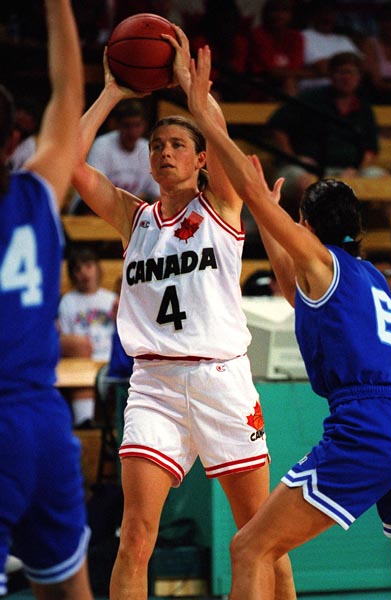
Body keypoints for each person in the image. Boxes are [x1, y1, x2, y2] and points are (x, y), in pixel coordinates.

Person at [186, 44, 391, 600]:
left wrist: (203, 109)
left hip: (369, 424)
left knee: (249, 548)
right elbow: (293, 283)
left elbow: (253, 193)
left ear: (306, 225)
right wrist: (263, 209)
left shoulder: (320, 261)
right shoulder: (367, 274)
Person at [70, 25, 296, 600]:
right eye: (156, 146)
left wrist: (197, 98)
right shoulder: (134, 218)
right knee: (134, 539)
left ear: (200, 161)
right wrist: (113, 94)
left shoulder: (221, 204)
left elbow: (222, 143)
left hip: (222, 379)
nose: (164, 152)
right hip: (154, 384)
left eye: (177, 145)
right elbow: (69, 164)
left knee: (262, 534)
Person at [0, 0, 93, 598]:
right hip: (44, 424)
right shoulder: (35, 194)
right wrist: (58, 5)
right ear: (12, 138)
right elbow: (68, 94)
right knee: (68, 591)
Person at [266, 51, 386, 219]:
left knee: (390, 186)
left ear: (359, 77)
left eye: (351, 72)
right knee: (310, 185)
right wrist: (293, 158)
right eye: (340, 72)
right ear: (331, 75)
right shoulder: (309, 99)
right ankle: (315, 240)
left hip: (350, 170)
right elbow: (277, 126)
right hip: (305, 168)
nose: (346, 77)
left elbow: (370, 149)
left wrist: (357, 170)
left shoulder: (364, 109)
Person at [58, 246, 118, 428]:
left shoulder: (110, 299)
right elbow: (66, 340)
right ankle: (85, 423)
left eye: (88, 265)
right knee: (80, 367)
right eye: (77, 268)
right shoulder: (68, 301)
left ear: (97, 269)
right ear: (72, 274)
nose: (83, 272)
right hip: (83, 362)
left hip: (109, 361)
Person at [69, 99, 160, 214]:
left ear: (144, 126)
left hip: (128, 212)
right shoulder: (102, 145)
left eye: (137, 125)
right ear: (116, 126)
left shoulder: (147, 150)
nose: (132, 132)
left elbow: (157, 196)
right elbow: (93, 192)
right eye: (127, 126)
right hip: (91, 210)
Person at [247, 0, 305, 99]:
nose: (279, 15)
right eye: (275, 11)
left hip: (289, 82)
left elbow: (295, 67)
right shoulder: (257, 34)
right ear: (266, 13)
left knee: (290, 81)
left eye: (284, 11)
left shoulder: (296, 37)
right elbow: (271, 71)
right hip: (260, 83)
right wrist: (314, 73)